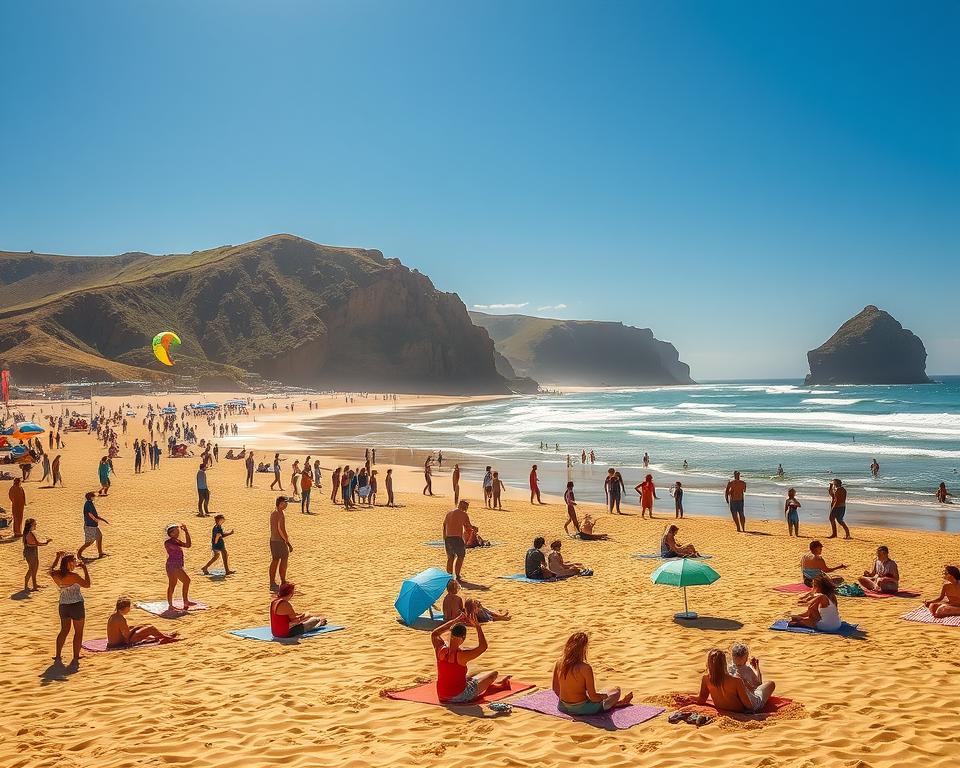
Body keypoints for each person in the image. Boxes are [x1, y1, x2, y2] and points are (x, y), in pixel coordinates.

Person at [431, 613, 512, 704]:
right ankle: (497, 686)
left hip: (441, 695)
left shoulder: (440, 649)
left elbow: (435, 634)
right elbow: (483, 647)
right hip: (459, 696)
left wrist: (456, 620)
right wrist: (478, 626)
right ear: (463, 638)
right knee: (493, 674)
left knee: (474, 672)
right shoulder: (462, 656)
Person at [553, 632, 632, 715]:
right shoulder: (585, 668)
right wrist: (603, 697)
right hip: (583, 709)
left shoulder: (559, 663)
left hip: (562, 707)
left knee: (598, 692)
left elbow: (555, 688)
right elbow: (593, 697)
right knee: (616, 690)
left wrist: (568, 701)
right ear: (584, 649)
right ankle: (614, 704)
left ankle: (612, 704)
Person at [50, 551, 90, 666]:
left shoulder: (56, 575)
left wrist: (57, 557)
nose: (76, 562)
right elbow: (87, 584)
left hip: (63, 605)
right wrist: (85, 569)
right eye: (74, 560)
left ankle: (58, 655)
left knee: (64, 631)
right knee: (78, 632)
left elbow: (51, 569)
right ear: (69, 563)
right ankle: (75, 656)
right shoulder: (74, 576)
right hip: (76, 605)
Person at [694, 648, 762, 713]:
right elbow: (749, 706)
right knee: (770, 684)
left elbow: (701, 700)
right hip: (739, 711)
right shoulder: (736, 680)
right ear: (724, 663)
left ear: (709, 664)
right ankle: (757, 670)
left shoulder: (706, 679)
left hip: (722, 708)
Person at [107, 597, 178, 647]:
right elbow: (127, 636)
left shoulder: (113, 616)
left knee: (143, 626)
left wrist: (136, 628)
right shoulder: (121, 619)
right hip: (122, 643)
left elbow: (121, 631)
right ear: (125, 608)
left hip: (115, 642)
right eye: (129, 607)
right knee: (150, 628)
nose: (130, 609)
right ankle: (166, 636)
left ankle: (163, 635)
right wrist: (135, 629)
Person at [728, 642, 775, 711]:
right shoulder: (748, 670)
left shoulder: (728, 668)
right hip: (749, 703)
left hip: (734, 702)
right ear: (746, 658)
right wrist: (756, 668)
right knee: (771, 684)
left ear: (732, 656)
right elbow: (758, 685)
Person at [164, 523, 194, 611]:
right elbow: (176, 548)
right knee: (186, 581)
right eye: (176, 531)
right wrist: (180, 544)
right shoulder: (168, 542)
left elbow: (188, 545)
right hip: (173, 566)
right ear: (171, 533)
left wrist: (186, 532)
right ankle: (184, 601)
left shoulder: (177, 541)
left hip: (175, 565)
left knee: (173, 584)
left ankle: (174, 604)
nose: (178, 532)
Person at [443, 500, 472, 582]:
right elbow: (468, 526)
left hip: (448, 538)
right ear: (465, 507)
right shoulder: (464, 514)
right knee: (461, 556)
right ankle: (458, 575)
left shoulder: (449, 513)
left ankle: (449, 575)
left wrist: (444, 536)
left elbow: (444, 525)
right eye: (466, 507)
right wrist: (474, 528)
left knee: (450, 557)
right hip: (457, 538)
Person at [269, 496, 292, 592]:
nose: (286, 504)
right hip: (279, 541)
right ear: (280, 504)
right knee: (283, 560)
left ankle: (273, 582)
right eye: (285, 503)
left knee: (275, 560)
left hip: (273, 540)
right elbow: (281, 529)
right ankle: (282, 580)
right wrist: (287, 542)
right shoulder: (279, 514)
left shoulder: (275, 513)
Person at [22, 518, 51, 592]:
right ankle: (30, 586)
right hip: (31, 552)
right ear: (31, 525)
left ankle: (34, 585)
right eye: (34, 524)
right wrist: (46, 543)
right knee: (32, 569)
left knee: (34, 568)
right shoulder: (30, 533)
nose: (36, 525)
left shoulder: (26, 533)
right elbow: (37, 543)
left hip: (31, 552)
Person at [77, 491, 108, 560]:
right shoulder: (88, 504)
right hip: (89, 525)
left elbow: (94, 514)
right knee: (89, 542)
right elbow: (89, 513)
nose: (94, 497)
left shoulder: (90, 503)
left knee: (99, 537)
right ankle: (79, 553)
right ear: (91, 497)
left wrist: (102, 519)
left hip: (93, 525)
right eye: (93, 496)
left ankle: (100, 553)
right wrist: (95, 519)